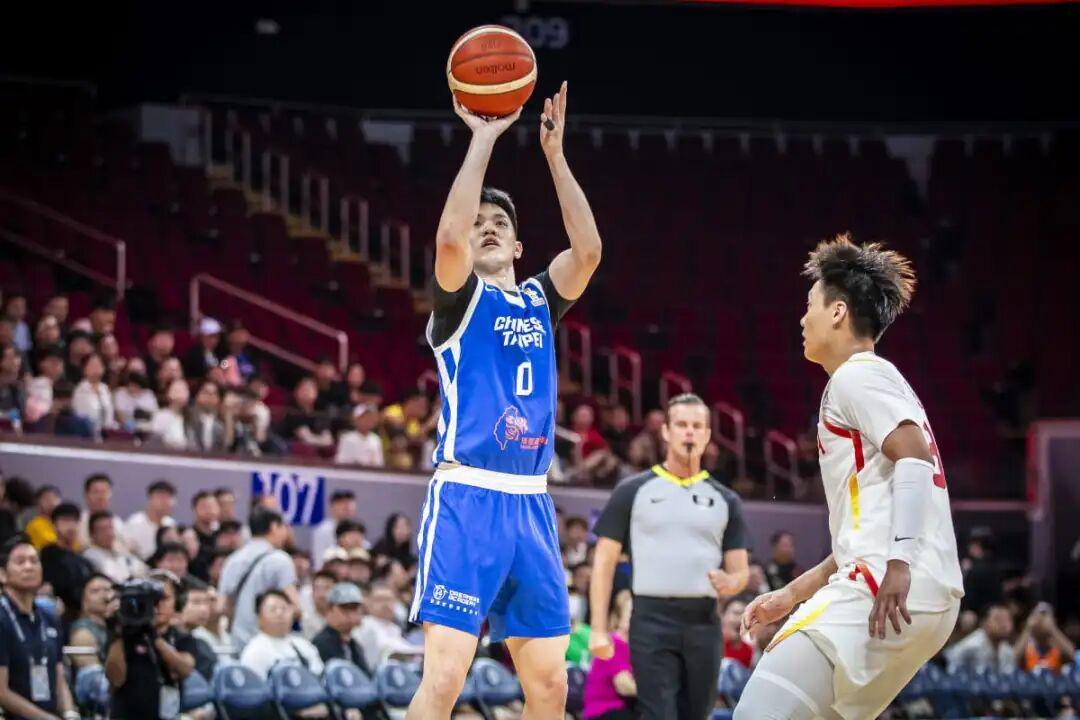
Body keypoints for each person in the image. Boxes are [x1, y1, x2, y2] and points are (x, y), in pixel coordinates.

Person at [406, 79, 601, 720]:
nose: (486, 229)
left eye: (500, 224)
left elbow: (589, 251)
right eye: (480, 224)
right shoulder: (459, 301)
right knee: (444, 679)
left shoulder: (541, 299)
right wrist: (484, 139)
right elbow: (448, 239)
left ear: (518, 246)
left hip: (532, 503)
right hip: (467, 497)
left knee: (550, 687)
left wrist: (555, 157)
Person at [736, 235, 965, 720]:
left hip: (888, 581)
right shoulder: (876, 381)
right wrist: (792, 594)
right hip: (917, 589)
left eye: (810, 306)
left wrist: (898, 562)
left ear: (838, 312)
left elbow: (915, 459)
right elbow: (858, 539)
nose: (802, 319)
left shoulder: (856, 375)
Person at [590, 393, 750, 720]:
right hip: (650, 619)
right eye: (681, 424)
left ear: (707, 435)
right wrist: (598, 628)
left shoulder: (726, 500)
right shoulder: (632, 491)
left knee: (697, 714)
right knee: (658, 714)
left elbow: (741, 573)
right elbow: (603, 563)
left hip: (704, 622)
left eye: (697, 426)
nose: (689, 432)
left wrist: (731, 583)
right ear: (665, 431)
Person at [0, 536, 78, 720]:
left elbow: (59, 676)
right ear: (2, 574)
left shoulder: (48, 615)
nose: (29, 567)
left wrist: (70, 713)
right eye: (20, 562)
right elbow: (1, 692)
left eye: (34, 561)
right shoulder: (2, 618)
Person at [105, 570, 196, 720]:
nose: (157, 605)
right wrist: (118, 632)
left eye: (163, 599)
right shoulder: (121, 637)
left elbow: (184, 670)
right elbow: (115, 679)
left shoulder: (182, 637)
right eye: (151, 600)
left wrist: (153, 637)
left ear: (176, 602)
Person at [219, 508, 299, 649]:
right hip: (270, 644)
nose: (286, 533)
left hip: (238, 643)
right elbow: (295, 607)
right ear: (274, 527)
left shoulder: (232, 560)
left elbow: (223, 606)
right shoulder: (280, 559)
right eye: (283, 527)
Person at [238, 590, 324, 679]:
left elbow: (319, 675)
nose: (280, 614)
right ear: (259, 617)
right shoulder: (254, 652)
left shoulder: (303, 644)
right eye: (273, 610)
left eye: (284, 609)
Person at [582, 591, 636, 720]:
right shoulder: (614, 643)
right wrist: (655, 692)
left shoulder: (635, 646)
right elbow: (623, 685)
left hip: (623, 710)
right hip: (604, 711)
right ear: (620, 619)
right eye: (632, 613)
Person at [39, 503, 95, 615]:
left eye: (75, 521)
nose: (71, 526)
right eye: (65, 521)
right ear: (54, 525)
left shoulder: (84, 561)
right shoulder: (49, 554)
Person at [356, 582, 423, 671]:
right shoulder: (365, 624)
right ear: (368, 602)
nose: (385, 605)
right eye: (379, 600)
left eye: (389, 600)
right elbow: (388, 649)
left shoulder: (394, 628)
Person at [312, 582, 371, 674]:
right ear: (329, 610)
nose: (350, 614)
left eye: (354, 608)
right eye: (345, 608)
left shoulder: (354, 645)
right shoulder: (321, 642)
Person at [944, 603, 1016, 672]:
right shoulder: (971, 647)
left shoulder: (1007, 650)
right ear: (984, 623)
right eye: (998, 620)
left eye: (1007, 620)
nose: (1004, 625)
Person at [83, 511, 147, 583]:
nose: (109, 533)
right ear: (92, 534)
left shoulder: (120, 551)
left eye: (110, 528)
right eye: (103, 530)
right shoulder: (90, 556)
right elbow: (113, 577)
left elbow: (142, 570)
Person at [69, 573, 116, 669]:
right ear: (83, 600)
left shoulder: (116, 627)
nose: (104, 596)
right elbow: (92, 674)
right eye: (95, 591)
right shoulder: (82, 634)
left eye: (107, 590)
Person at [1014, 601, 1076, 673]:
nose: (1041, 621)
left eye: (1044, 617)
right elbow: (1014, 658)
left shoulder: (1058, 645)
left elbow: (1072, 655)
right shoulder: (1027, 645)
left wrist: (1052, 629)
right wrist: (1028, 628)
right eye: (1038, 617)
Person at [176, 578, 218, 680]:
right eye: (196, 602)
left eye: (206, 602)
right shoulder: (169, 642)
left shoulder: (203, 643)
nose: (204, 609)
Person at [126, 480, 177, 561]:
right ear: (150, 499)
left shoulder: (171, 524)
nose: (167, 502)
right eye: (162, 497)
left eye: (169, 498)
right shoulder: (135, 523)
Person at [279, 376, 334, 448]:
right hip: (293, 450)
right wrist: (322, 442)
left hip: (318, 449)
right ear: (296, 393)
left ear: (316, 393)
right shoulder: (292, 412)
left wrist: (323, 442)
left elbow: (328, 439)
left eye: (310, 389)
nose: (306, 392)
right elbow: (307, 439)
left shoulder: (320, 412)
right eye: (304, 389)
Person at [72, 353, 117, 439]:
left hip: (108, 435)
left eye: (99, 364)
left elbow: (109, 416)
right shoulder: (81, 390)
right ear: (84, 369)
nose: (96, 367)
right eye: (92, 365)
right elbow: (83, 419)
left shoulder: (105, 389)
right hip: (88, 437)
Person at [77, 473, 126, 551]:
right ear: (86, 495)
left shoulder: (117, 522)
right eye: (95, 492)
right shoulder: (78, 522)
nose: (100, 497)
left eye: (104, 492)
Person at [311, 490, 357, 569]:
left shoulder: (357, 529)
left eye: (350, 506)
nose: (348, 508)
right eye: (344, 507)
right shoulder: (323, 530)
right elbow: (319, 558)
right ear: (332, 507)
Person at [149, 378, 190, 450]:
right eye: (177, 390)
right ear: (168, 393)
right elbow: (155, 441)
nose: (182, 394)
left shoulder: (191, 416)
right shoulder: (161, 416)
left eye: (185, 390)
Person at [300, 570, 338, 639]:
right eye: (317, 588)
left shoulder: (343, 620)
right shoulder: (304, 620)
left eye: (327, 588)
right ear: (312, 594)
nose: (321, 594)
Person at [24, 486, 61, 551]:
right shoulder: (34, 525)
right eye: (47, 498)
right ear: (38, 502)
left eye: (55, 497)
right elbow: (51, 544)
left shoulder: (60, 523)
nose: (52, 502)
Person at [721, 599, 753, 669]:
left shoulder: (749, 651)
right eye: (736, 613)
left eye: (745, 616)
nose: (740, 619)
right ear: (723, 615)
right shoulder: (712, 645)